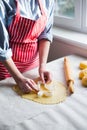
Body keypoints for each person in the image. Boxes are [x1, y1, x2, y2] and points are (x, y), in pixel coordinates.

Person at [0, 0, 54, 93]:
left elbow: (45, 34)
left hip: (33, 68)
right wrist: (19, 78)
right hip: (6, 70)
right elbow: (2, 49)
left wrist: (42, 67)